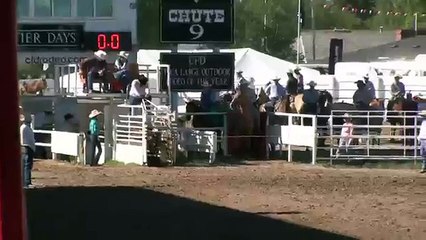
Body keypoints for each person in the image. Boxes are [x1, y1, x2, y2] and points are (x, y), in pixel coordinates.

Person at [20, 112, 35, 188]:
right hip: (27, 147)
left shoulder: (23, 128)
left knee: (25, 165)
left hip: (25, 147)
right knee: (27, 165)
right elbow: (30, 139)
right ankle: (27, 182)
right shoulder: (26, 128)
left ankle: (25, 181)